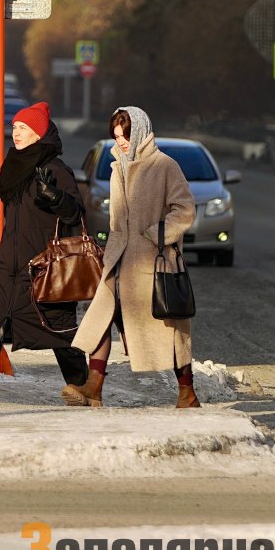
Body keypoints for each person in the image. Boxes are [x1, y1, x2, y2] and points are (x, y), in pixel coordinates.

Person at [0, 102, 88, 403]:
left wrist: (55, 196)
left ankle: (82, 386)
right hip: (9, 262)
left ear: (39, 133)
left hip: (43, 266)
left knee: (56, 327)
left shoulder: (56, 169)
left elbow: (75, 214)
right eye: (14, 127)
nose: (16, 133)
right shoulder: (14, 165)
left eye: (23, 128)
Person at [66, 106, 199, 408]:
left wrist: (157, 234)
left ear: (140, 131)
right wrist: (110, 247)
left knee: (168, 331)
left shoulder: (165, 165)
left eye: (125, 136)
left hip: (153, 263)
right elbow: (118, 219)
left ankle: (187, 392)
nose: (122, 142)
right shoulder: (118, 167)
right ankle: (93, 386)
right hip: (119, 260)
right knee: (100, 317)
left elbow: (185, 209)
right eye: (116, 136)